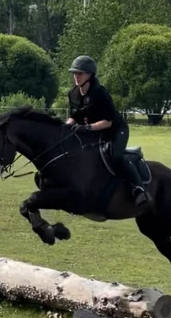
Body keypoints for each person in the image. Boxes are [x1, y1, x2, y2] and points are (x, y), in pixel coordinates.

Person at [65, 55, 152, 206]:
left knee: (115, 156)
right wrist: (66, 128)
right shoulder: (73, 93)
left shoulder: (99, 93)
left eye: (80, 73)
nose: (76, 77)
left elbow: (108, 122)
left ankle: (138, 189)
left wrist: (87, 127)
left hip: (116, 130)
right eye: (74, 73)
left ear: (90, 75)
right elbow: (73, 116)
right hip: (93, 131)